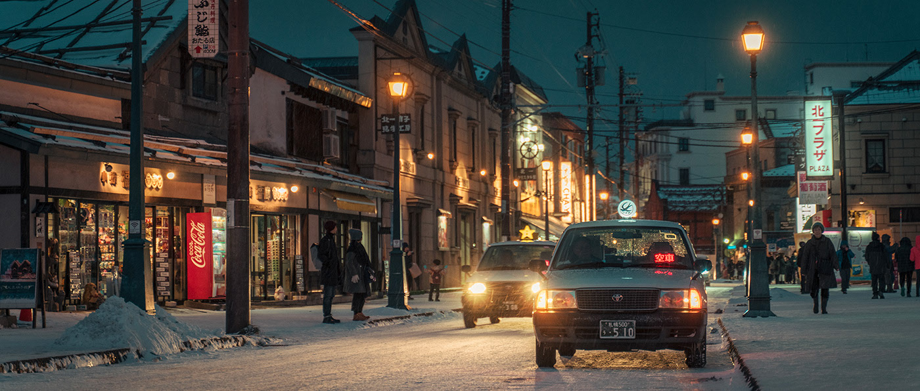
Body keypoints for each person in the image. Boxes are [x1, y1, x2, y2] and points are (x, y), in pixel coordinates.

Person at [800, 223, 838, 314]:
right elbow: (805, 257)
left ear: (822, 231)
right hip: (813, 269)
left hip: (825, 268)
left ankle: (824, 308)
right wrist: (804, 270)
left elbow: (832, 254)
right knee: (814, 289)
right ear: (813, 231)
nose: (817, 231)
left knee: (825, 288)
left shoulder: (827, 241)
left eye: (819, 230)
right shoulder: (809, 243)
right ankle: (815, 304)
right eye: (816, 230)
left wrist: (836, 265)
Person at [344, 229, 371, 321]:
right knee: (358, 294)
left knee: (362, 293)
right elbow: (349, 262)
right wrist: (354, 273)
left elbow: (365, 260)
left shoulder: (359, 247)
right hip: (357, 274)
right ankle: (356, 313)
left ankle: (359, 312)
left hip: (362, 273)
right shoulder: (353, 248)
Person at [318, 221, 341, 324]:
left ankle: (328, 315)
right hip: (329, 272)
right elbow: (321, 255)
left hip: (331, 271)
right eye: (335, 227)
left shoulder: (330, 239)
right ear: (332, 228)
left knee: (331, 295)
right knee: (328, 295)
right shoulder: (326, 240)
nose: (336, 229)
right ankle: (326, 316)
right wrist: (329, 263)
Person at [865, 232, 887, 299]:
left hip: (873, 266)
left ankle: (875, 293)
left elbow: (866, 256)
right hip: (881, 266)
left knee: (874, 281)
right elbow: (885, 256)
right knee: (881, 280)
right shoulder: (881, 246)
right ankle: (881, 291)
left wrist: (870, 263)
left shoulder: (869, 246)